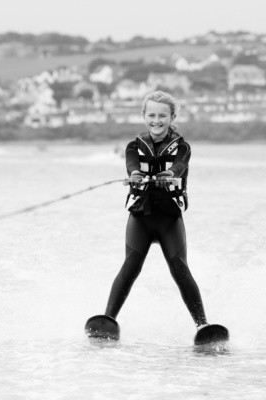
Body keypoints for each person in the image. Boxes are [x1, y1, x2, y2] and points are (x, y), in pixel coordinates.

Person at [103, 90, 209, 332]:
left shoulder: (182, 147)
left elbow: (180, 165)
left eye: (163, 115)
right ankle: (107, 321)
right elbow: (131, 164)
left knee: (179, 268)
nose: (157, 120)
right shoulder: (133, 146)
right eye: (151, 115)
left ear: (172, 117)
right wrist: (135, 175)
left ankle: (203, 326)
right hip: (141, 217)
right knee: (130, 267)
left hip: (169, 219)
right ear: (143, 115)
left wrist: (169, 174)